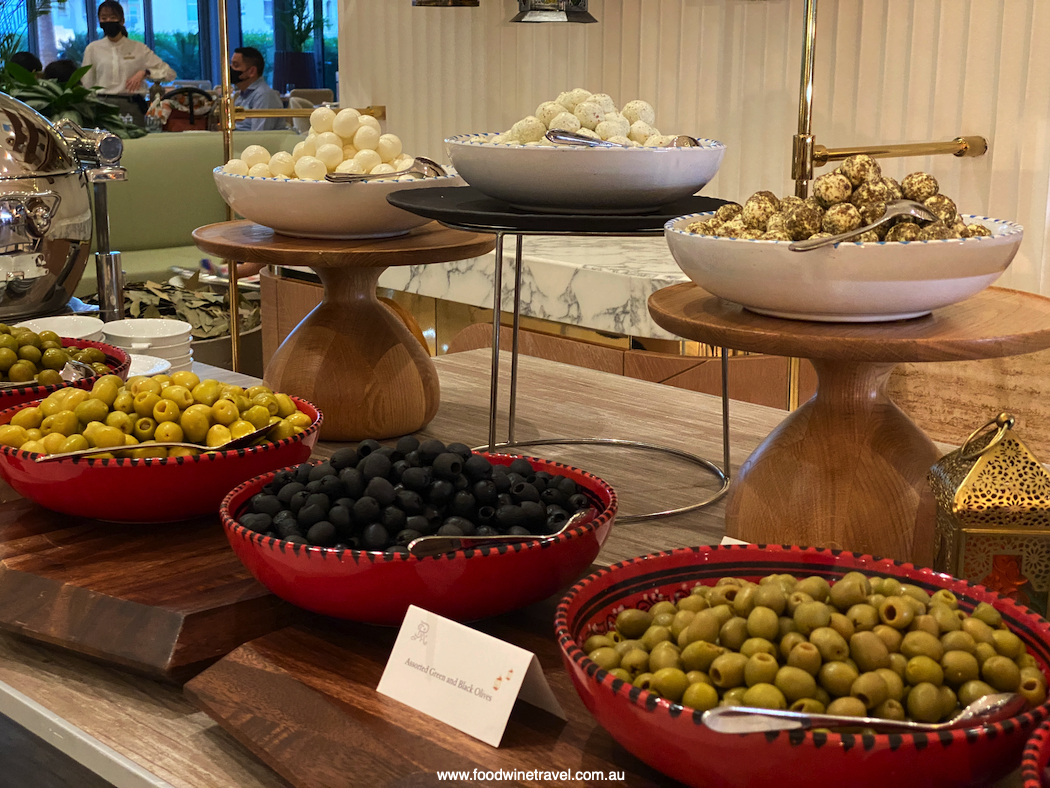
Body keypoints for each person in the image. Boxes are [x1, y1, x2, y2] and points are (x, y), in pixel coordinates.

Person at [81, 1, 174, 98]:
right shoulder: (93, 49)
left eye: (113, 17)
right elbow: (87, 84)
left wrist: (145, 72)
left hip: (133, 103)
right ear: (99, 22)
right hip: (103, 105)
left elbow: (169, 74)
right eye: (104, 18)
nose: (108, 21)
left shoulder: (139, 48)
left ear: (122, 21)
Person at [230, 47, 284, 131]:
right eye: (231, 64)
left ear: (252, 71)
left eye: (236, 65)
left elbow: (259, 136)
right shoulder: (243, 95)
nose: (230, 69)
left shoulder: (264, 95)